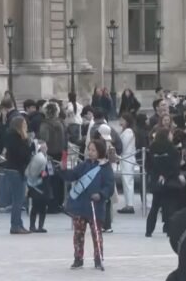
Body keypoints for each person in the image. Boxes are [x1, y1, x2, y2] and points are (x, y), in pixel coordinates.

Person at [60, 140, 114, 270]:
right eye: (89, 150)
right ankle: (78, 258)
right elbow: (72, 175)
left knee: (96, 234)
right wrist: (63, 170)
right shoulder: (84, 165)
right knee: (78, 234)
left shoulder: (105, 168)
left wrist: (101, 194)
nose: (90, 152)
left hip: (96, 206)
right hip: (80, 205)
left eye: (93, 150)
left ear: (100, 151)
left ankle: (98, 258)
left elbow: (109, 186)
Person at [146, 128, 184, 237]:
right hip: (169, 182)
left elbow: (148, 165)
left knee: (154, 206)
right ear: (167, 135)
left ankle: (149, 230)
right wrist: (165, 175)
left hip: (156, 180)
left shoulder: (152, 148)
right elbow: (175, 166)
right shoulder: (172, 149)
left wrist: (157, 174)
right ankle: (168, 229)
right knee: (169, 206)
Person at [5, 116, 34, 234]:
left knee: (18, 199)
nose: (26, 126)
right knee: (18, 199)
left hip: (13, 169)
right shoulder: (17, 138)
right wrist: (29, 144)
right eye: (24, 124)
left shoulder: (12, 137)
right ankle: (15, 225)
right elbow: (23, 154)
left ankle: (18, 223)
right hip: (16, 170)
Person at [38, 102, 66, 212]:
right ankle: (59, 202)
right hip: (61, 153)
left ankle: (51, 203)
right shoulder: (61, 123)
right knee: (59, 179)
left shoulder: (45, 125)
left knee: (49, 179)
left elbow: (44, 141)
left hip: (49, 155)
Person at [27, 140, 53, 233]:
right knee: (35, 206)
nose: (45, 149)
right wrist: (40, 173)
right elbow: (32, 172)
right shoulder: (36, 159)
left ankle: (41, 226)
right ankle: (32, 226)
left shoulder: (48, 159)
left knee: (43, 207)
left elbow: (51, 172)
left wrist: (49, 173)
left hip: (45, 186)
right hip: (36, 186)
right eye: (42, 148)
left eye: (46, 147)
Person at [117, 113, 138, 214]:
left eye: (122, 120)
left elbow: (123, 145)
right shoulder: (125, 131)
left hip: (127, 157)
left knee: (128, 181)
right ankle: (128, 203)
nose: (120, 121)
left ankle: (130, 204)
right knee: (126, 181)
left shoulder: (128, 131)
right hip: (125, 157)